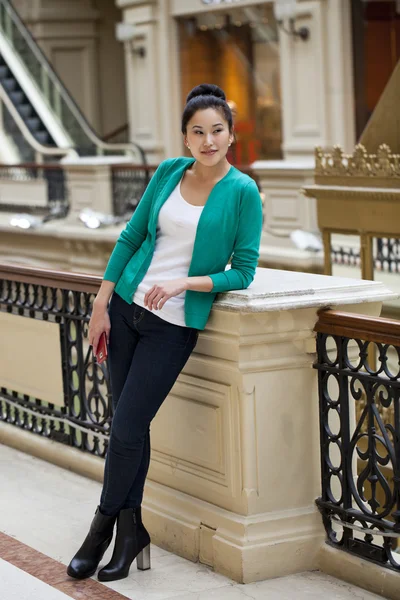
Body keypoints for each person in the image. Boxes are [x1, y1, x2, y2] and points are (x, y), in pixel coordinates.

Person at [67, 83, 263, 583]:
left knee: (127, 428)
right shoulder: (169, 173)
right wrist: (102, 302)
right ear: (185, 139)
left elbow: (242, 271)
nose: (208, 140)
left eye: (217, 130)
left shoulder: (243, 192)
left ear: (231, 135)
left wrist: (184, 282)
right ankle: (132, 534)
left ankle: (102, 529)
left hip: (174, 325)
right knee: (131, 429)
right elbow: (133, 235)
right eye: (197, 131)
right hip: (128, 310)